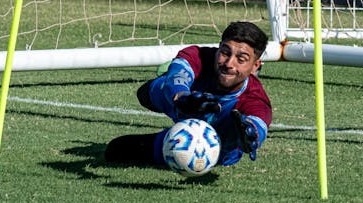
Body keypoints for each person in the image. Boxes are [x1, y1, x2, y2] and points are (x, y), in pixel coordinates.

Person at [105, 21, 272, 167]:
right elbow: (178, 75)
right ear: (218, 47)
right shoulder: (198, 55)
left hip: (216, 146)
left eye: (241, 59)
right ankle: (179, 100)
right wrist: (182, 97)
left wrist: (252, 135)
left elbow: (258, 124)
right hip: (181, 105)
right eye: (225, 52)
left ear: (255, 66)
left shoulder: (256, 99)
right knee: (152, 90)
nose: (229, 63)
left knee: (117, 149)